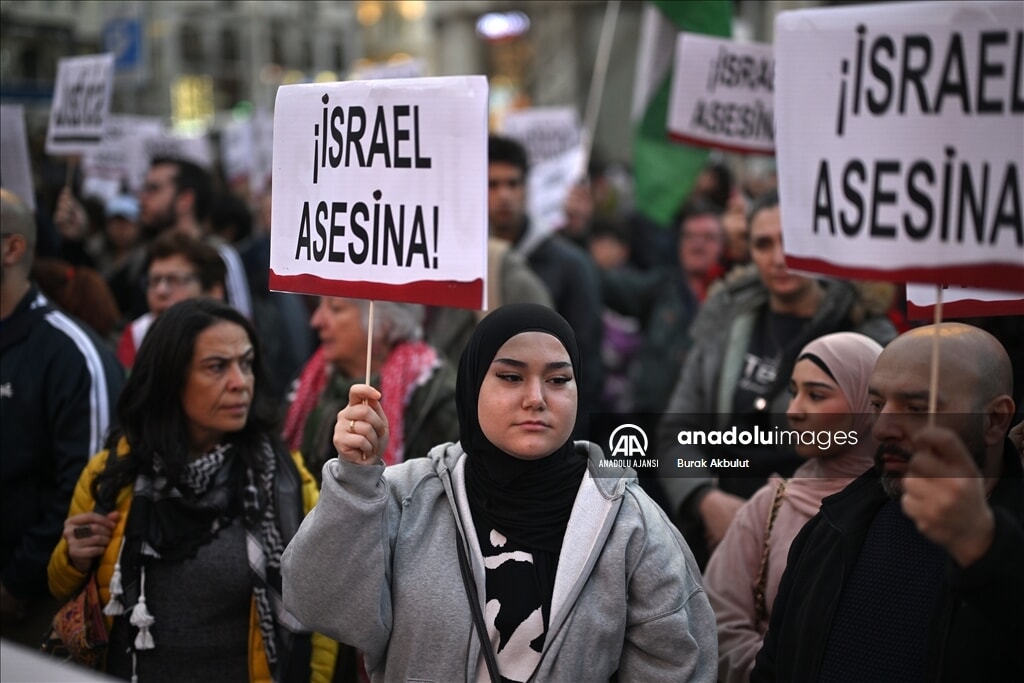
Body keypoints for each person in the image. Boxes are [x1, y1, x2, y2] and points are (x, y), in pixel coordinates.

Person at [282, 303, 717, 682]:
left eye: (558, 380)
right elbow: (317, 604)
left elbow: (677, 660)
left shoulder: (629, 522)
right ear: (472, 387)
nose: (535, 398)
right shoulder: (409, 497)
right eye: (510, 377)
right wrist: (355, 482)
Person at [47, 298, 336, 682]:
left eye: (246, 363)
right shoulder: (113, 473)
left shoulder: (285, 480)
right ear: (170, 378)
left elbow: (319, 612)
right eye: (217, 367)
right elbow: (60, 587)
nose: (240, 382)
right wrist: (73, 557)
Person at [752, 322, 1023, 682]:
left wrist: (984, 549)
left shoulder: (1008, 548)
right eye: (877, 404)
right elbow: (774, 669)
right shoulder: (832, 528)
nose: (882, 428)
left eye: (916, 407)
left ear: (995, 419)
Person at [656, 188, 898, 569]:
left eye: (792, 241)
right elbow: (676, 431)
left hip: (824, 529)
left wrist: (790, 517)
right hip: (721, 527)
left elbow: (884, 443)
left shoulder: (863, 332)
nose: (779, 257)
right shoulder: (725, 323)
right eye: (764, 244)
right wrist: (704, 498)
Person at [704, 331, 883, 683]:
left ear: (868, 404)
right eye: (793, 392)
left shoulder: (907, 508)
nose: (794, 411)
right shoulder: (771, 504)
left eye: (816, 395)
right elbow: (719, 621)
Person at [1, 188, 125, 647]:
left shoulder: (69, 353)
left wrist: (17, 583)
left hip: (31, 607)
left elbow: (87, 485)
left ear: (13, 249)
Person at [487, 135, 605, 434]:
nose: (504, 195)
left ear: (527, 188)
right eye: (492, 185)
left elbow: (585, 362)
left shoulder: (570, 266)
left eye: (513, 184)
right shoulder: (462, 262)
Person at [282, 297, 458, 482]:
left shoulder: (437, 396)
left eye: (335, 309)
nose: (316, 321)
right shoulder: (309, 379)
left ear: (384, 325)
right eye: (320, 307)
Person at [137, 155, 252, 320]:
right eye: (154, 281)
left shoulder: (220, 254)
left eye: (154, 189)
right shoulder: (146, 255)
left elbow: (241, 322)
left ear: (185, 199)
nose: (143, 198)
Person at [115, 231, 227, 370]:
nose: (161, 291)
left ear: (213, 292)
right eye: (154, 281)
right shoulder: (137, 335)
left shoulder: (235, 340)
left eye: (174, 280)